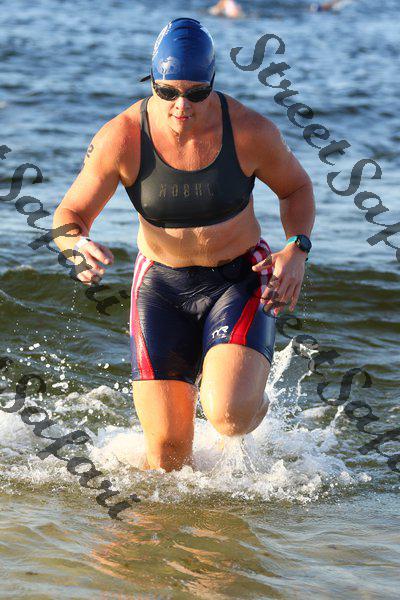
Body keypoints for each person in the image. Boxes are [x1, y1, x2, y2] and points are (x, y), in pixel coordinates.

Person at [52, 18, 315, 473]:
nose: (181, 105)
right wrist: (76, 246)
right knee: (168, 456)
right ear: (151, 81)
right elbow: (69, 214)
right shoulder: (122, 136)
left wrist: (296, 248)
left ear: (213, 82)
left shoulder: (250, 131)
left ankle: (250, 395)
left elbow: (297, 189)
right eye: (167, 91)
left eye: (196, 93)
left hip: (238, 278)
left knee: (229, 417)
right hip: (161, 286)